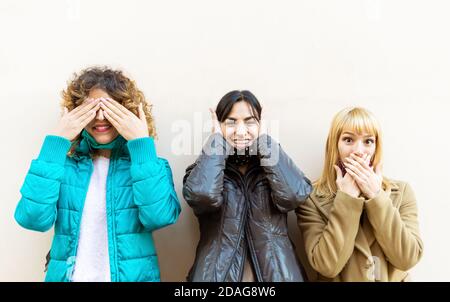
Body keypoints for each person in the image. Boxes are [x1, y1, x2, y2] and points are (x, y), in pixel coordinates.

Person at [14, 66, 181, 282]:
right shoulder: (63, 166)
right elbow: (32, 219)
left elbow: (159, 217)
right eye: (92, 109)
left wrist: (141, 145)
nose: (100, 117)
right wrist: (55, 144)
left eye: (110, 109)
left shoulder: (149, 164)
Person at [183, 90, 312, 281]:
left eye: (250, 121)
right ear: (218, 125)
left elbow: (294, 195)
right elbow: (203, 196)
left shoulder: (273, 166)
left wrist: (264, 141)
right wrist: (217, 141)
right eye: (231, 121)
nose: (241, 131)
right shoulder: (205, 168)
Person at [296, 107, 423, 281]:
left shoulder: (401, 192)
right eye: (348, 140)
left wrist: (377, 197)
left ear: (376, 148)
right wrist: (346, 200)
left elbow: (407, 258)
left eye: (368, 141)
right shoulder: (311, 198)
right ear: (335, 146)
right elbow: (327, 266)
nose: (359, 151)